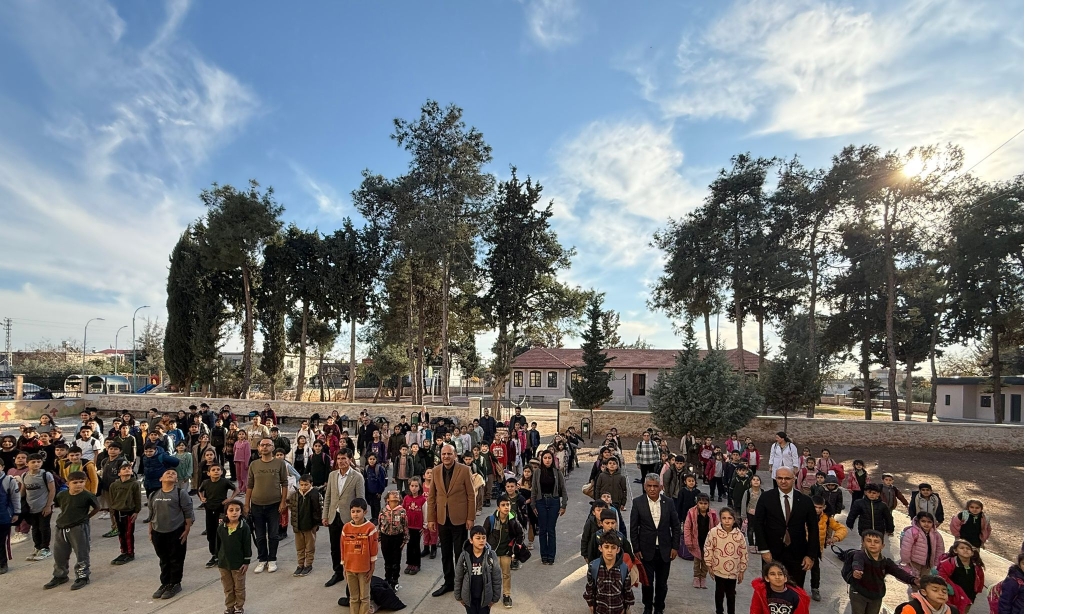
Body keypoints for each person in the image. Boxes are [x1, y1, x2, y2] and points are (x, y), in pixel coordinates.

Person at [752, 466, 820, 588]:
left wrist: (811, 555)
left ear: (793, 479)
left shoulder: (805, 501)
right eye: (780, 478)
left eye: (787, 478)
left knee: (795, 589)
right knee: (771, 589)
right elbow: (758, 524)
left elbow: (813, 528)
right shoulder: (766, 498)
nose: (783, 481)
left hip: (797, 554)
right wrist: (763, 549)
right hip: (772, 553)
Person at [428, 443, 477, 597]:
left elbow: (471, 495)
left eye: (449, 454)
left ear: (455, 455)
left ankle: (462, 584)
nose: (446, 457)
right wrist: (430, 518)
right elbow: (431, 497)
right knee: (446, 553)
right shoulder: (435, 471)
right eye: (443, 454)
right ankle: (449, 583)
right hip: (442, 519)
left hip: (460, 519)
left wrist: (470, 517)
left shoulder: (464, 470)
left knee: (460, 553)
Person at [629, 473, 681, 614]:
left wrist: (675, 547)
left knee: (662, 583)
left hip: (665, 550)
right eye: (649, 486)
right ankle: (647, 606)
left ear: (660, 487)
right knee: (647, 582)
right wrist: (636, 549)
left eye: (655, 486)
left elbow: (676, 526)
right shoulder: (638, 502)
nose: (652, 489)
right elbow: (633, 528)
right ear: (645, 487)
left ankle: (659, 607)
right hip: (645, 551)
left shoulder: (668, 502)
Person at [44, 470, 99, 590]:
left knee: (81, 552)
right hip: (61, 527)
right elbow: (60, 505)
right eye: (75, 482)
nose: (79, 485)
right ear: (68, 483)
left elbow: (97, 507)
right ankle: (60, 575)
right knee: (60, 553)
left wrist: (86, 517)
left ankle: (83, 576)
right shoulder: (62, 495)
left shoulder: (88, 496)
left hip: (78, 527)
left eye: (81, 482)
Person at [244, 438, 289, 573]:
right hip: (257, 504)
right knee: (260, 535)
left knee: (273, 534)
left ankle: (272, 559)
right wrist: (247, 504)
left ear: (273, 447)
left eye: (267, 445)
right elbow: (250, 486)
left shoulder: (279, 464)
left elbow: (285, 484)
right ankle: (262, 559)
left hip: (274, 505)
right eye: (262, 445)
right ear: (258, 448)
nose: (264, 447)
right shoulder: (254, 464)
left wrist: (283, 502)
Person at [148, 468, 194, 599]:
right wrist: (150, 530)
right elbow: (151, 514)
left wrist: (187, 530)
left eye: (173, 474)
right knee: (163, 559)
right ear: (160, 479)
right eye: (167, 473)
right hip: (158, 531)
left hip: (176, 531)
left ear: (176, 480)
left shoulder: (181, 493)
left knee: (176, 559)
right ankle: (165, 583)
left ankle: (175, 583)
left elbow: (188, 512)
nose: (170, 474)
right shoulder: (154, 495)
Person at [846, 530, 918, 614]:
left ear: (882, 546)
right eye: (868, 541)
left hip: (876, 595)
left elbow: (898, 572)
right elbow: (857, 563)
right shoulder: (859, 555)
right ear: (863, 543)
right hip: (858, 593)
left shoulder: (885, 562)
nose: (872, 544)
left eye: (876, 542)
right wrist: (857, 570)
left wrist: (912, 579)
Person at [323, 450, 366, 587]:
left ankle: (351, 572)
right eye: (338, 459)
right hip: (333, 516)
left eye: (344, 458)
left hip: (349, 519)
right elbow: (328, 497)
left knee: (350, 548)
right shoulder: (332, 475)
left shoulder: (357, 477)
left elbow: (360, 499)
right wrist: (325, 516)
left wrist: (358, 520)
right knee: (335, 547)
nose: (341, 461)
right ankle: (337, 572)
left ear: (350, 459)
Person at [703, 506, 747, 614]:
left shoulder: (739, 535)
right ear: (720, 519)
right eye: (724, 518)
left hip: (733, 571)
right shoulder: (713, 532)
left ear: (734, 519)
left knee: (731, 594)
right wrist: (709, 566)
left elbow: (743, 553)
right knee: (719, 593)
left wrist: (742, 570)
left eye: (729, 518)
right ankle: (719, 611)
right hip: (718, 569)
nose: (727, 521)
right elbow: (708, 548)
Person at [583, 530, 636, 614]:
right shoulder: (593, 567)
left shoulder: (623, 568)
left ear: (618, 549)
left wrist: (626, 609)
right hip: (600, 610)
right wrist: (591, 605)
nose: (610, 550)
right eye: (606, 547)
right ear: (600, 548)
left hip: (618, 610)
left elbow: (627, 591)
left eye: (613, 547)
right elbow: (590, 588)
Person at [341, 497, 379, 614]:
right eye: (353, 511)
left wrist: (372, 567)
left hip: (364, 569)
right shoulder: (346, 528)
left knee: (364, 597)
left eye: (358, 511)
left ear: (365, 512)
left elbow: (374, 550)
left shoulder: (370, 528)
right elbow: (342, 548)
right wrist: (344, 566)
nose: (355, 514)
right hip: (349, 568)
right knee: (353, 598)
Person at [485, 497, 524, 608]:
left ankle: (506, 595)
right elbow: (484, 535)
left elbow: (520, 534)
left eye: (508, 504)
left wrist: (516, 548)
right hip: (493, 553)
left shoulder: (512, 520)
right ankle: (491, 595)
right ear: (498, 507)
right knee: (491, 575)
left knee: (506, 575)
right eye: (503, 505)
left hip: (506, 552)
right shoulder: (491, 520)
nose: (506, 507)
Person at [454, 525, 503, 614]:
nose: (481, 540)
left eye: (483, 538)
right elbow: (458, 577)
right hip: (469, 598)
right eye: (478, 538)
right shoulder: (464, 556)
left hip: (485, 599)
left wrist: (495, 598)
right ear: (471, 540)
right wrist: (458, 596)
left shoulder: (491, 556)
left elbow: (496, 578)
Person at [531, 449, 567, 565]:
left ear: (553, 459)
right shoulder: (537, 472)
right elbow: (534, 489)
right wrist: (533, 504)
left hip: (553, 502)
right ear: (542, 459)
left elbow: (563, 489)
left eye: (549, 458)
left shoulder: (557, 472)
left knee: (550, 529)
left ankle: (551, 556)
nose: (547, 460)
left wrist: (563, 505)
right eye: (545, 458)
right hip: (540, 502)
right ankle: (544, 556)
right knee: (542, 529)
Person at [808, 495, 847, 602]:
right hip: (802, 547)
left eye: (820, 507)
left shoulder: (827, 519)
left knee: (815, 571)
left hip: (816, 549)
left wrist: (835, 538)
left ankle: (815, 589)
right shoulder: (803, 515)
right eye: (815, 507)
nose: (817, 510)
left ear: (824, 507)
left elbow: (842, 528)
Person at [18, 452, 55, 562]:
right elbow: (23, 491)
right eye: (33, 462)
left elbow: (52, 490)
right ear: (27, 463)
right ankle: (37, 547)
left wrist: (48, 506)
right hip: (31, 508)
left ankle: (45, 548)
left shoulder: (46, 475)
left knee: (44, 528)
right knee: (35, 528)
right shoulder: (24, 475)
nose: (36, 464)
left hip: (44, 507)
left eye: (39, 462)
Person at [217, 500, 252, 614]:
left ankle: (239, 607)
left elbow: (247, 545)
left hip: (238, 564)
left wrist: (246, 561)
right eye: (231, 510)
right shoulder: (221, 527)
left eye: (237, 510)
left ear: (241, 512)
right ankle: (230, 607)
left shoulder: (244, 527)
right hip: (224, 564)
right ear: (226, 513)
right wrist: (218, 558)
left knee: (239, 588)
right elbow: (218, 544)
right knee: (228, 588)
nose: (234, 513)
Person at [199, 463, 236, 568]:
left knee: (221, 531)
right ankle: (214, 555)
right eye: (213, 470)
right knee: (211, 532)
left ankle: (222, 554)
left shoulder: (225, 482)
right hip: (209, 509)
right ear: (208, 473)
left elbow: (236, 489)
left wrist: (230, 499)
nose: (216, 471)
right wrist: (202, 498)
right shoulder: (206, 483)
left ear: (222, 471)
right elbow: (200, 490)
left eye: (218, 469)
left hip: (221, 510)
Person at [900, 512, 944, 593]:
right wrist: (906, 560)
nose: (926, 524)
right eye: (923, 521)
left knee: (925, 580)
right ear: (918, 521)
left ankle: (921, 594)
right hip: (914, 562)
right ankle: (914, 595)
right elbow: (906, 547)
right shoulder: (913, 532)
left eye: (929, 522)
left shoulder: (936, 535)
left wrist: (937, 563)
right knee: (915, 580)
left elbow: (940, 549)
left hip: (928, 563)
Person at [937, 539, 985, 613]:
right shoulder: (948, 563)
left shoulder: (976, 566)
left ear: (972, 553)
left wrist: (977, 590)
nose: (965, 550)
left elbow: (980, 579)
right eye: (962, 548)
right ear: (955, 551)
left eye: (968, 548)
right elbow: (941, 577)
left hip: (969, 596)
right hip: (952, 596)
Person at [290, 473, 323, 577]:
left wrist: (317, 523)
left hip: (310, 526)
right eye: (301, 484)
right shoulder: (295, 495)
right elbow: (293, 509)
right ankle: (300, 565)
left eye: (306, 485)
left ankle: (308, 565)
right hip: (298, 526)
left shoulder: (315, 494)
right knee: (299, 547)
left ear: (311, 484)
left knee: (309, 547)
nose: (303, 487)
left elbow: (319, 509)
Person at [108, 460, 141, 564]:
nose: (127, 470)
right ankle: (123, 552)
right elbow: (112, 498)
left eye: (129, 469)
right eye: (124, 469)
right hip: (118, 511)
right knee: (121, 533)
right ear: (119, 473)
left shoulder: (134, 484)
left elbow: (137, 498)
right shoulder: (114, 485)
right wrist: (113, 511)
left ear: (132, 472)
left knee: (128, 533)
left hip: (129, 511)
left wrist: (136, 511)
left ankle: (130, 553)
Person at [846, 483, 895, 548]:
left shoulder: (883, 505)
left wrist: (890, 529)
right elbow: (853, 514)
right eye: (869, 492)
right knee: (865, 546)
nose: (871, 494)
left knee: (877, 547)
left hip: (878, 531)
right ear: (865, 493)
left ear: (878, 494)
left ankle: (876, 557)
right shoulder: (859, 503)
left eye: (874, 493)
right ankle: (863, 557)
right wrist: (850, 523)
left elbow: (888, 518)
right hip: (865, 530)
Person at [378, 490, 409, 591]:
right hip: (385, 537)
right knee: (387, 560)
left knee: (396, 560)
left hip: (397, 538)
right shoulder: (383, 511)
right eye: (392, 500)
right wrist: (379, 538)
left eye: (396, 500)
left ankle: (395, 580)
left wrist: (405, 539)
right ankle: (387, 578)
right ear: (387, 500)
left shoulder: (402, 512)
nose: (394, 503)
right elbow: (379, 525)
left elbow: (405, 526)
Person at [682, 493, 714, 589]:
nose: (703, 505)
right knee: (697, 561)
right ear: (697, 503)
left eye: (705, 503)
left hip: (708, 542)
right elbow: (687, 527)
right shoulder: (692, 513)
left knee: (706, 561)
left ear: (708, 504)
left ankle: (703, 577)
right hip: (696, 541)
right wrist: (688, 541)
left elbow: (717, 527)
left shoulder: (712, 514)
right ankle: (696, 577)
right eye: (701, 503)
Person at [894, 574, 961, 614]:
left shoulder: (953, 611)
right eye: (935, 590)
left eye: (944, 591)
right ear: (924, 592)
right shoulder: (912, 608)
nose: (941, 593)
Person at [0, 457, 21, 574]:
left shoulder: (9, 480)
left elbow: (15, 498)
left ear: (2, 467)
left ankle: (3, 564)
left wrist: (16, 512)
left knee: (1, 542)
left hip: (3, 517)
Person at [403, 476, 426, 575]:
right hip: (408, 527)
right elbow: (403, 512)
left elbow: (426, 513)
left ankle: (416, 564)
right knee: (409, 545)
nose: (414, 488)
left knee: (416, 546)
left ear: (420, 487)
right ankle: (409, 563)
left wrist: (424, 526)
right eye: (412, 486)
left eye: (416, 486)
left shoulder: (423, 500)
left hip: (417, 527)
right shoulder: (406, 498)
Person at [363, 453, 387, 523]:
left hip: (376, 492)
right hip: (369, 491)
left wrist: (380, 492)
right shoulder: (367, 468)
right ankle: (373, 517)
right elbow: (365, 479)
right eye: (370, 459)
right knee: (371, 504)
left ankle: (377, 518)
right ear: (368, 460)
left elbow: (382, 481)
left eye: (373, 459)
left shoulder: (379, 469)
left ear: (376, 460)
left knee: (376, 505)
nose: (372, 461)